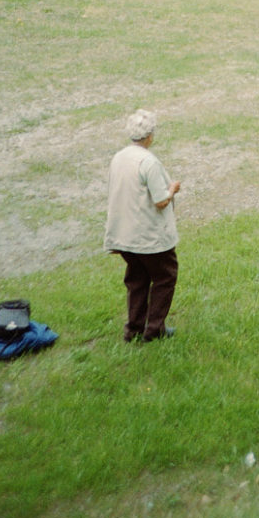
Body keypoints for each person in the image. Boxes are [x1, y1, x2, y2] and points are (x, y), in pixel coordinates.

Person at [104, 109, 181, 343]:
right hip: (149, 237)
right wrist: (173, 188)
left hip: (125, 235)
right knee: (165, 277)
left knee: (137, 280)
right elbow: (160, 200)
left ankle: (134, 329)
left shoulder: (118, 157)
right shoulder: (149, 162)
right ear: (150, 136)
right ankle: (155, 329)